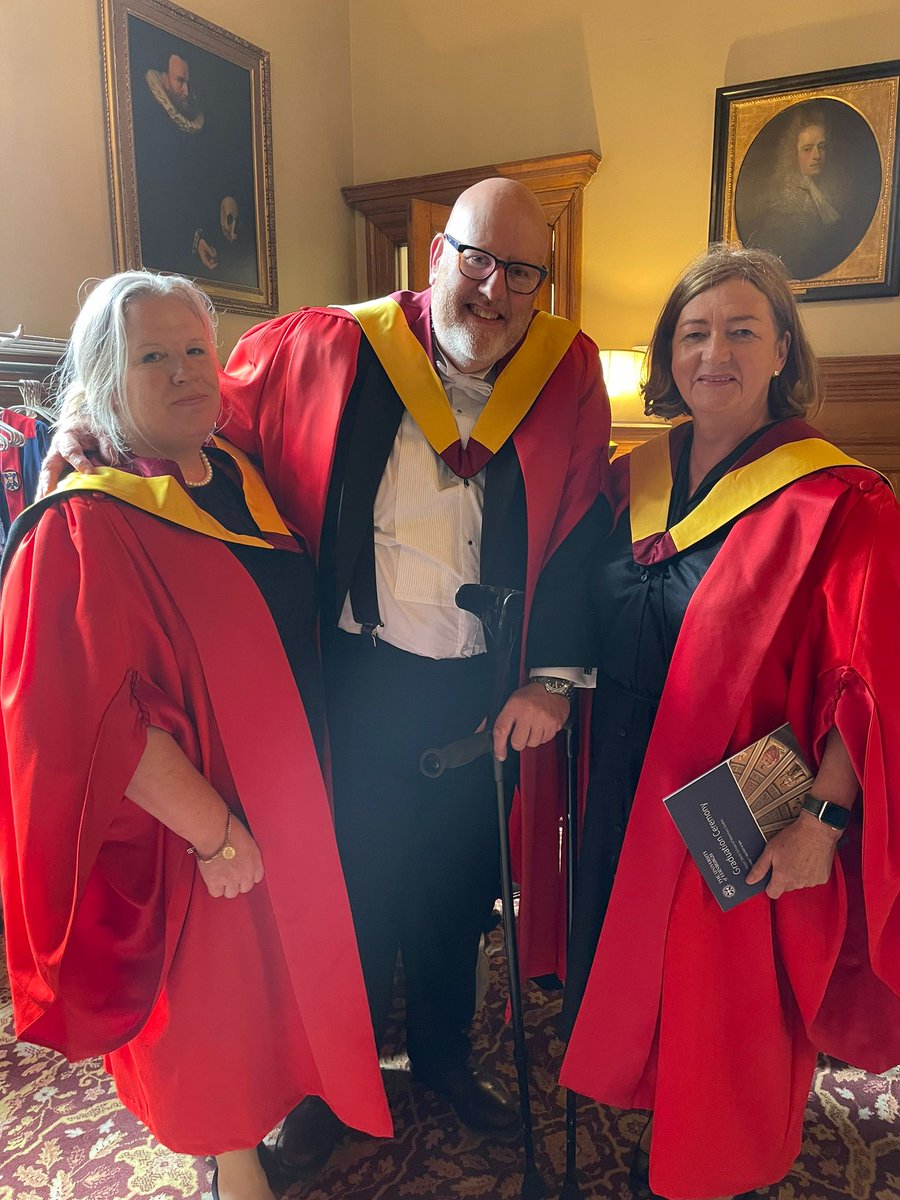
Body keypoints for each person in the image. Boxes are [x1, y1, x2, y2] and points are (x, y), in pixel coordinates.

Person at [45, 177, 611, 1171]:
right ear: (437, 254)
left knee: (459, 888)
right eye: (475, 259)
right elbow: (206, 415)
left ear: (542, 285)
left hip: (487, 691)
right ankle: (336, 1084)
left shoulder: (566, 373)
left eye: (521, 271)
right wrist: (87, 431)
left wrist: (552, 680)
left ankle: (441, 1056)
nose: (493, 288)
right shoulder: (328, 342)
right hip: (349, 681)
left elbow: (578, 522)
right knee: (347, 889)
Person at [500, 244, 900, 1199]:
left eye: (741, 331)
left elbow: (870, 678)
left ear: (781, 353)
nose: (713, 351)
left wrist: (826, 819)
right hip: (618, 777)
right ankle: (651, 1105)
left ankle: (715, 1164)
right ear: (668, 356)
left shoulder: (841, 499)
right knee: (639, 966)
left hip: (746, 794)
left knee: (726, 1000)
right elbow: (563, 598)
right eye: (694, 332)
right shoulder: (627, 479)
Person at [0, 271, 391, 1200]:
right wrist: (212, 830)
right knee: (213, 1018)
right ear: (103, 377)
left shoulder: (238, 476)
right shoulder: (87, 521)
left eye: (194, 351)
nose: (182, 373)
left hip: (287, 793)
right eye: (150, 357)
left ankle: (281, 1116)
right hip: (197, 835)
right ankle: (234, 1165)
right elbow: (98, 718)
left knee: (279, 990)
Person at [747, 105, 850, 279]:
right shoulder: (782, 204)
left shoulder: (831, 193)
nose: (817, 155)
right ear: (793, 154)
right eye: (808, 149)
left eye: (822, 147)